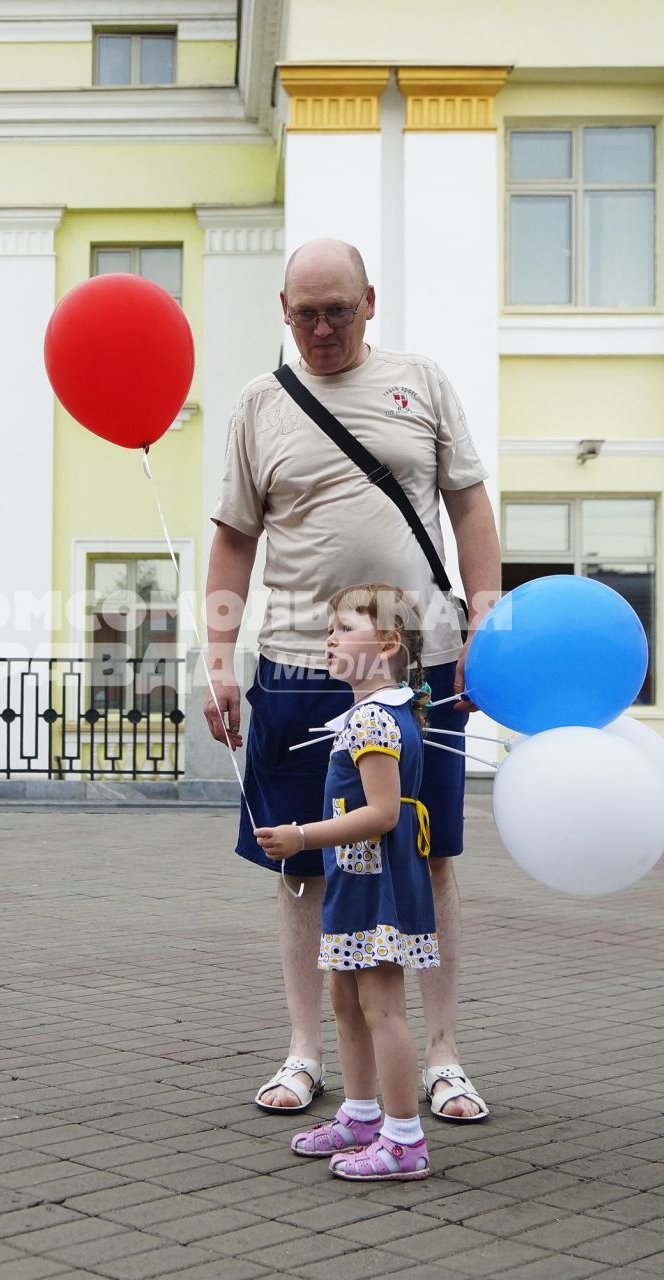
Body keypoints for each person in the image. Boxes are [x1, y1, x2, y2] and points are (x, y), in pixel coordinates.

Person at [206, 237, 502, 1123]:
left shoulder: (422, 381)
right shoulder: (260, 404)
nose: (323, 329)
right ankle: (306, 1052)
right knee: (299, 864)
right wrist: (219, 658)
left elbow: (469, 504)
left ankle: (442, 1055)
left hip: (424, 670)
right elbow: (232, 540)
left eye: (338, 311)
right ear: (283, 311)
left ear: (370, 302)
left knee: (431, 854)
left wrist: (487, 616)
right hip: (299, 666)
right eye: (306, 314)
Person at [256, 585, 437, 1180]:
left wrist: (303, 837)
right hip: (356, 880)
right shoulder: (370, 714)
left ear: (387, 644)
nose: (329, 638)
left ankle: (405, 1138)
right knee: (345, 998)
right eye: (328, 628)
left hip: (379, 886)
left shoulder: (376, 720)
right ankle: (360, 1116)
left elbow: (384, 812)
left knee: (382, 1005)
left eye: (343, 627)